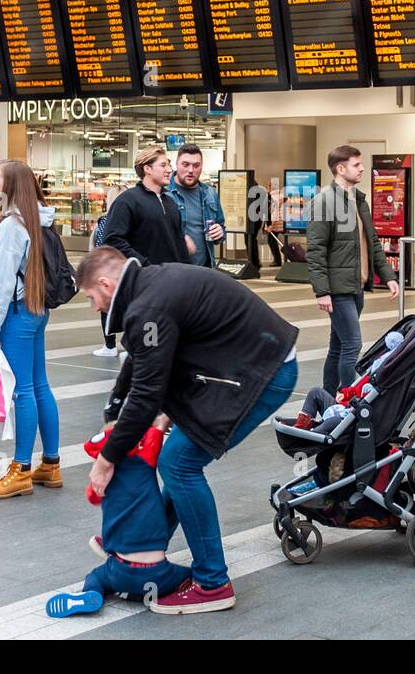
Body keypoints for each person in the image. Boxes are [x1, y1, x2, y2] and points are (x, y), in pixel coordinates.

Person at [79, 245, 299, 614]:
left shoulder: (148, 305)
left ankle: (212, 583)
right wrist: (118, 412)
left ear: (105, 283)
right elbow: (142, 361)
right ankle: (142, 544)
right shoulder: (149, 287)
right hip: (245, 365)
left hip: (262, 371)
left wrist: (107, 457)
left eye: (91, 298)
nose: (95, 307)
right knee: (176, 459)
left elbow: (147, 394)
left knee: (179, 464)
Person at [45, 416, 190, 617]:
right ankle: (145, 591)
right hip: (158, 574)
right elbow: (158, 426)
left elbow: (93, 497)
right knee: (189, 575)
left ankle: (92, 593)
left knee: (96, 576)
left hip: (118, 573)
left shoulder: (100, 482)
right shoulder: (145, 458)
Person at [0, 159, 62, 500]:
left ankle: (21, 469)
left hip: (16, 313)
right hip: (37, 309)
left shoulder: (12, 225)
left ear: (10, 185)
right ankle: (51, 463)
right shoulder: (40, 219)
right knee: (40, 386)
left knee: (21, 391)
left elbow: (1, 286)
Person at [306, 145, 399, 396]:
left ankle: (327, 399)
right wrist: (322, 291)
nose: (362, 169)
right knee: (352, 344)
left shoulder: (359, 201)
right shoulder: (324, 202)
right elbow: (315, 251)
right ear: (340, 168)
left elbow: (372, 243)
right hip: (337, 289)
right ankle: (349, 401)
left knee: (337, 346)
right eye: (356, 165)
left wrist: (388, 276)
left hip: (356, 285)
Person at [101, 146, 189, 266]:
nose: (169, 170)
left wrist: (186, 270)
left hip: (172, 278)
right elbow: (113, 242)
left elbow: (179, 243)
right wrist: (145, 265)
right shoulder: (127, 201)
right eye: (163, 165)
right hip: (144, 279)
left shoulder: (171, 203)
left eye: (169, 165)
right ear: (147, 168)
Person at [166, 143, 226, 267]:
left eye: (196, 165)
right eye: (185, 164)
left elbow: (221, 226)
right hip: (174, 268)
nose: (190, 170)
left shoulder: (210, 194)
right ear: (176, 164)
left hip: (205, 268)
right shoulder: (164, 193)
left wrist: (220, 232)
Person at [92, 190, 122, 358]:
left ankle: (109, 345)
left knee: (106, 307)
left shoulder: (106, 220)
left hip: (109, 269)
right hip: (128, 268)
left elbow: (101, 244)